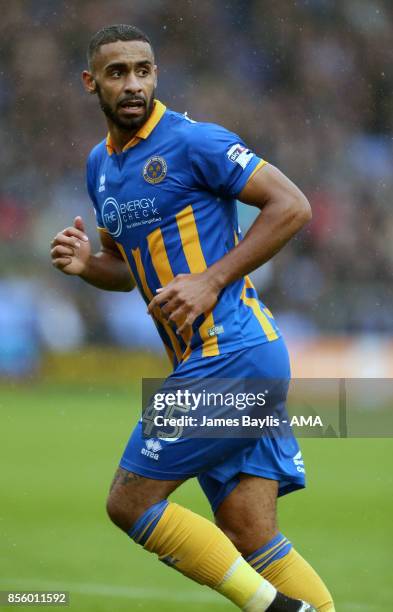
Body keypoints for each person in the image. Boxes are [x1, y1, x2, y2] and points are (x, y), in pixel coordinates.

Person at [50, 24, 334, 612]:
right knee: (250, 534)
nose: (133, 84)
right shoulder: (100, 166)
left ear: (157, 74)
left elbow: (293, 206)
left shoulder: (194, 141)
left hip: (229, 352)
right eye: (117, 72)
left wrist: (212, 278)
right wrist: (86, 264)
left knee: (128, 503)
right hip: (222, 360)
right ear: (90, 82)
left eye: (143, 70)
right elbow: (124, 268)